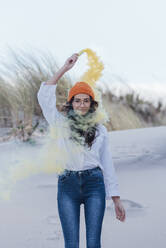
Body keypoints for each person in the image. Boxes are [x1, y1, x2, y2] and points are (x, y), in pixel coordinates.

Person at [37, 53, 126, 248]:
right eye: (77, 100)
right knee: (71, 244)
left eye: (86, 101)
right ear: (71, 103)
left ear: (92, 104)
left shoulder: (101, 130)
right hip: (67, 185)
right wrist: (64, 68)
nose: (82, 104)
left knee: (94, 243)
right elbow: (44, 98)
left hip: (95, 184)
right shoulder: (60, 124)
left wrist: (116, 199)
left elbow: (107, 164)